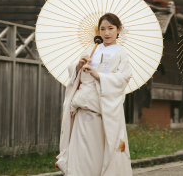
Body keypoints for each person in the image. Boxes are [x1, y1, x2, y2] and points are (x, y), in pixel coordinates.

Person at [56, 13, 133, 176]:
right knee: (79, 156)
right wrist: (78, 66)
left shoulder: (121, 53)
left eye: (111, 28)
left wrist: (99, 76)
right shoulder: (91, 50)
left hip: (101, 114)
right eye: (102, 29)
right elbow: (74, 75)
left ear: (119, 29)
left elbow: (123, 79)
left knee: (97, 157)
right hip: (81, 110)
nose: (106, 33)